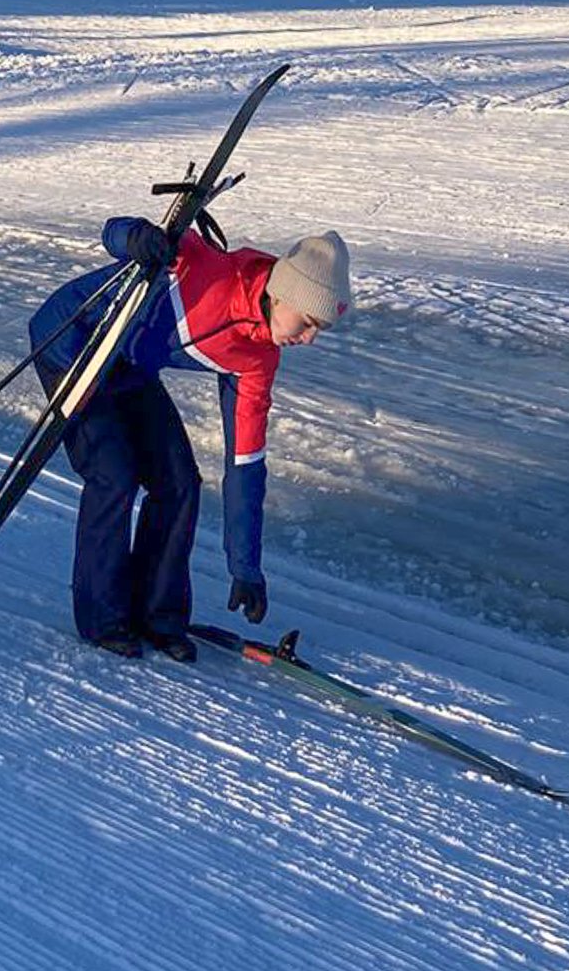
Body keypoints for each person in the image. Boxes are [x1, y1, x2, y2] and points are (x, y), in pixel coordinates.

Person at [27, 224, 353, 659]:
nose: (309, 338)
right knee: (114, 475)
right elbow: (114, 234)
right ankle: (102, 618)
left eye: (320, 330)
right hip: (73, 347)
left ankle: (158, 617)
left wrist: (246, 566)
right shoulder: (203, 270)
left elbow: (246, 464)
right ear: (284, 296)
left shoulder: (257, 360)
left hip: (129, 370)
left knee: (179, 482)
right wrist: (137, 239)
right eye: (309, 322)